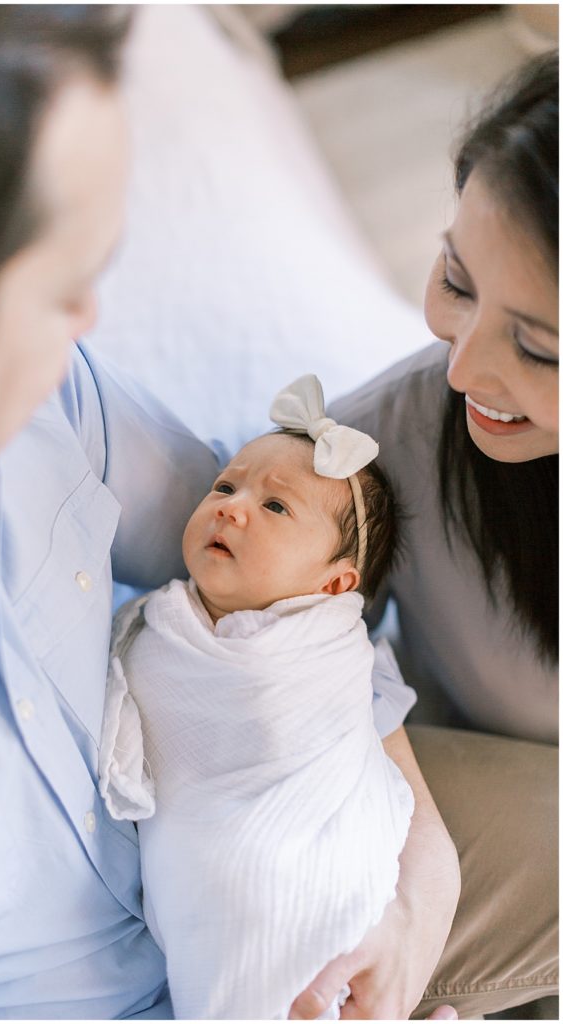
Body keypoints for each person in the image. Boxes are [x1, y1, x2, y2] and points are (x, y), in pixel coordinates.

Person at [0, 6, 457, 1021]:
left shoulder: (54, 403)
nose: (94, 324)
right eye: (66, 289)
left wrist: (414, 888)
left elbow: (297, 594)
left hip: (321, 911)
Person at [306, 50, 558, 1020]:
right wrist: (418, 862)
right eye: (455, 280)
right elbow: (261, 653)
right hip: (450, 863)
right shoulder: (380, 443)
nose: (463, 369)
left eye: (535, 346)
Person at [98, 375, 414, 1019]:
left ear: (335, 587)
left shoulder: (328, 648)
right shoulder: (156, 623)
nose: (231, 506)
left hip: (307, 837)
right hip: (202, 853)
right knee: (225, 890)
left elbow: (337, 738)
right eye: (224, 486)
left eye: (276, 508)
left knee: (270, 888)